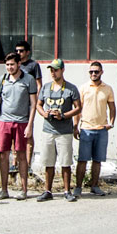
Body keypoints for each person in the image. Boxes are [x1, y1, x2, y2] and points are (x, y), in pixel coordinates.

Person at [36, 59, 82, 202]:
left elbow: (78, 108)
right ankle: (47, 190)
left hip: (64, 131)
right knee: (48, 162)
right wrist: (44, 114)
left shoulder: (71, 88)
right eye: (51, 70)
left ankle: (67, 191)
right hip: (48, 130)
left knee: (65, 162)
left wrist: (63, 115)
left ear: (62, 70)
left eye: (56, 70)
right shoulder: (45, 87)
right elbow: (38, 104)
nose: (53, 73)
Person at [0, 52, 37, 200]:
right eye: (7, 65)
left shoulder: (29, 79)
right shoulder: (2, 79)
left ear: (19, 64)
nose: (9, 67)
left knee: (21, 156)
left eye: (12, 64)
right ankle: (4, 190)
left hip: (21, 122)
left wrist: (30, 125)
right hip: (3, 122)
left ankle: (23, 190)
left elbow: (33, 104)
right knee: (3, 155)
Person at [75, 61, 115, 198]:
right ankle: (78, 187)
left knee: (97, 160)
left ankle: (95, 186)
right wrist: (76, 126)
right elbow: (77, 109)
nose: (93, 74)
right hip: (86, 128)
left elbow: (112, 108)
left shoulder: (107, 89)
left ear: (101, 72)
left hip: (101, 130)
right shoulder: (83, 88)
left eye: (96, 71)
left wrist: (111, 123)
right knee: (82, 160)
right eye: (91, 71)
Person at [14, 41, 43, 174]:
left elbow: (38, 84)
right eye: (17, 51)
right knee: (15, 133)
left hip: (29, 104)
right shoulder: (15, 64)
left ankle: (28, 164)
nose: (18, 53)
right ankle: (14, 163)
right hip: (16, 103)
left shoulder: (33, 65)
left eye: (21, 51)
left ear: (27, 52)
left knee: (28, 132)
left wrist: (35, 101)